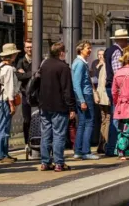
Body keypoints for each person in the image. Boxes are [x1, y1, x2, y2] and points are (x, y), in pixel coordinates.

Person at [39, 42, 76, 171]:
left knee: (46, 134)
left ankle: (45, 162)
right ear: (61, 53)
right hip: (59, 106)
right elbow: (67, 89)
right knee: (59, 134)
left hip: (44, 105)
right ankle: (59, 163)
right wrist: (71, 107)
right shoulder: (63, 67)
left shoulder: (44, 65)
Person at [103, 29, 129, 156]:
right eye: (126, 39)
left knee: (114, 116)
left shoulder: (110, 51)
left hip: (110, 86)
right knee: (116, 117)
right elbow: (117, 72)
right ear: (122, 40)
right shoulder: (116, 51)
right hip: (116, 87)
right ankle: (112, 148)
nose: (127, 42)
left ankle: (112, 147)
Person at [0, 43, 21, 164]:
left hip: (0, 99)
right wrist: (11, 104)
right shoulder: (9, 69)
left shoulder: (0, 66)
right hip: (5, 100)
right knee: (3, 127)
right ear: (12, 55)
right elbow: (9, 87)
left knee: (2, 126)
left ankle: (3, 153)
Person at [72, 41, 99, 160]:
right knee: (88, 123)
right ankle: (85, 151)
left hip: (83, 95)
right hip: (84, 95)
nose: (90, 50)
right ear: (81, 49)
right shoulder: (80, 64)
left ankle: (78, 150)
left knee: (82, 123)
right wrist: (82, 100)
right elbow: (76, 83)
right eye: (88, 48)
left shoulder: (80, 63)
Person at [16, 40, 33, 148]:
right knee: (27, 119)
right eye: (27, 47)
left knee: (38, 118)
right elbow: (19, 76)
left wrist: (26, 74)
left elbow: (39, 74)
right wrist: (32, 74)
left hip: (36, 94)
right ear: (24, 49)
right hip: (25, 93)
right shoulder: (21, 61)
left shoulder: (38, 59)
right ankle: (27, 142)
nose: (29, 49)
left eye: (31, 47)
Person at [94, 50, 110, 154]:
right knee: (107, 119)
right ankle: (106, 144)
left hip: (100, 96)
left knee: (104, 120)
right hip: (105, 97)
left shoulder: (101, 67)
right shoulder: (106, 67)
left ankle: (101, 144)